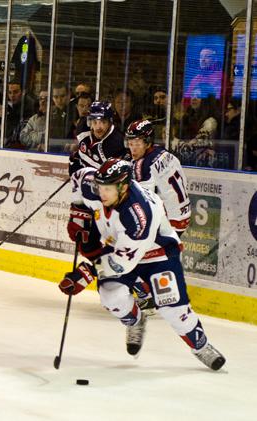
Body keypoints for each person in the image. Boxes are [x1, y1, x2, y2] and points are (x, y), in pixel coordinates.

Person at [61, 159, 226, 370]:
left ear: (123, 187)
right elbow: (79, 177)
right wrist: (78, 212)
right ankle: (135, 321)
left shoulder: (138, 216)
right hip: (121, 248)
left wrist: (88, 271)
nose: (102, 193)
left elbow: (121, 264)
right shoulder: (94, 184)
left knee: (172, 309)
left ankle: (201, 346)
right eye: (100, 187)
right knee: (111, 295)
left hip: (157, 254)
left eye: (108, 189)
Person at [126, 119, 192, 312]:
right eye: (130, 143)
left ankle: (149, 296)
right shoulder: (165, 154)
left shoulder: (141, 165)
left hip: (168, 223)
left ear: (147, 141)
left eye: (137, 143)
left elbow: (142, 201)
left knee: (126, 252)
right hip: (183, 215)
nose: (133, 148)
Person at [69, 101, 127, 175]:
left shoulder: (117, 143)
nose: (98, 127)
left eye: (103, 122)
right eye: (95, 122)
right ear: (90, 123)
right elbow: (77, 155)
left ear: (110, 123)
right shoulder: (82, 127)